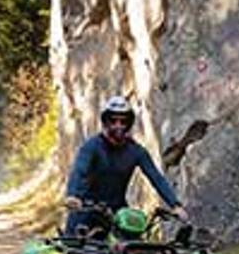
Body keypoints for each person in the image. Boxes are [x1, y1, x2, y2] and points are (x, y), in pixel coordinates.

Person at [65, 95, 189, 236]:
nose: (118, 125)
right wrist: (73, 196)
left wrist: (175, 205)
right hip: (86, 209)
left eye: (123, 121)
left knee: (133, 248)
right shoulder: (91, 147)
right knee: (74, 250)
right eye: (113, 121)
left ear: (129, 124)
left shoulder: (136, 151)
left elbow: (156, 177)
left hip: (117, 211)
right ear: (105, 122)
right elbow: (79, 171)